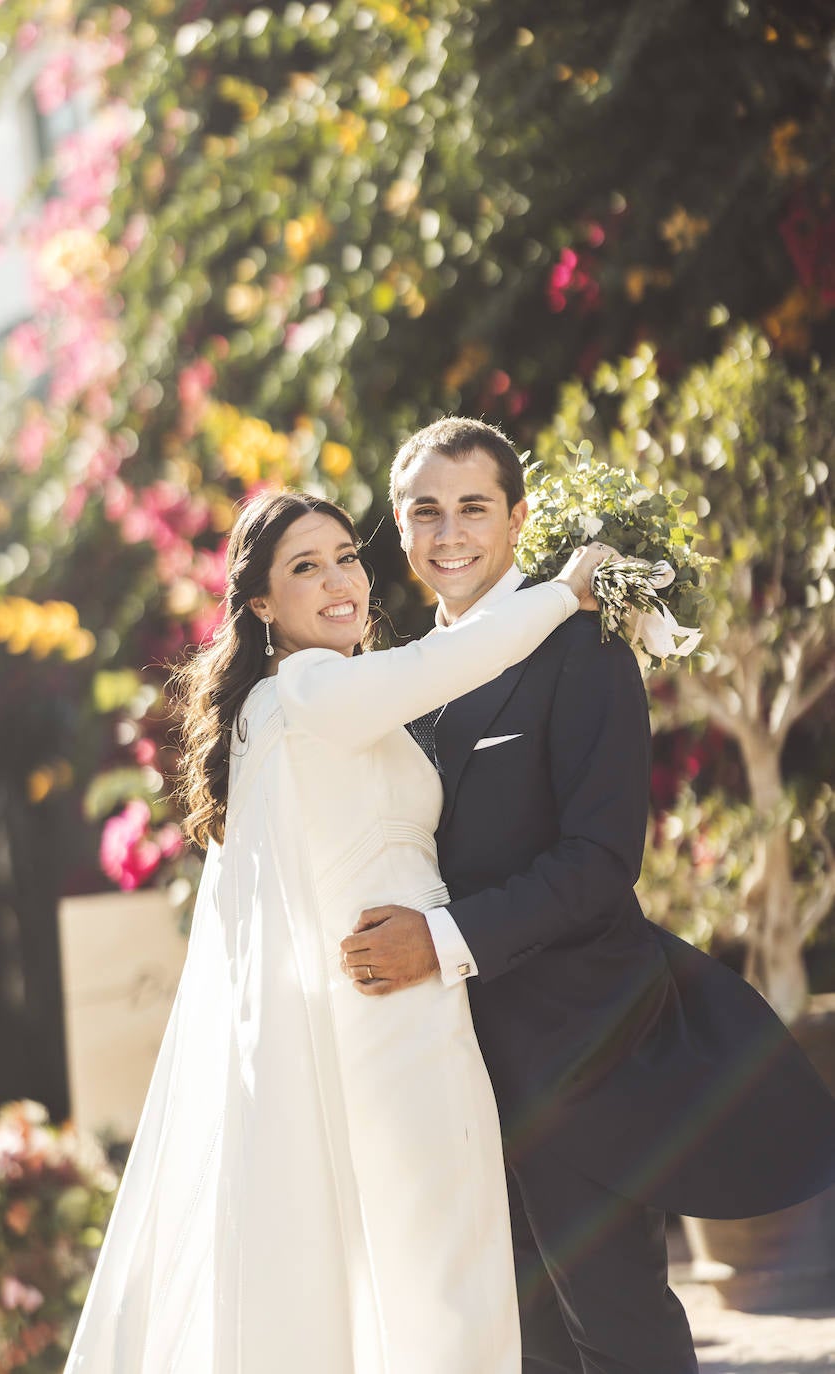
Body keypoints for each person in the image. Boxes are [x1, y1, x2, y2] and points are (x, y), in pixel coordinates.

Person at [62, 488, 610, 1374]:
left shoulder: (327, 696)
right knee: (442, 1282)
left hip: (413, 1004)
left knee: (426, 1277)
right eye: (304, 568)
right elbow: (449, 663)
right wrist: (566, 589)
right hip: (387, 1020)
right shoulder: (304, 689)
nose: (338, 581)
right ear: (261, 605)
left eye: (347, 557)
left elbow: (427, 666)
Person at [340, 415, 835, 1374]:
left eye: (473, 508)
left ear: (518, 519)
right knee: (512, 1347)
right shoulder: (392, 680)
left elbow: (599, 864)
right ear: (398, 532)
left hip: (580, 1057)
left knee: (618, 1335)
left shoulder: (584, 651)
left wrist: (438, 941)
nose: (449, 534)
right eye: (425, 512)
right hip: (443, 1071)